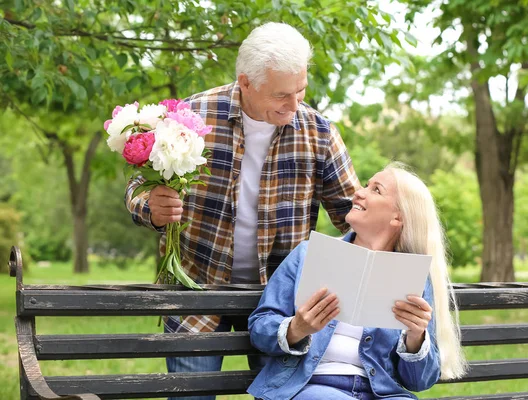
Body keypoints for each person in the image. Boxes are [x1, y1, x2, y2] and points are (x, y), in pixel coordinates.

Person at [125, 22, 361, 400]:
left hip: (281, 304)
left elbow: (353, 213)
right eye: (282, 95)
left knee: (284, 396)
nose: (294, 105)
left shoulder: (318, 132)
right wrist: (150, 207)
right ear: (246, 82)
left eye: (301, 90)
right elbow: (137, 189)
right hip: (197, 291)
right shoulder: (193, 117)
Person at [247, 163, 467, 400]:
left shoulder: (413, 277)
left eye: (376, 190)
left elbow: (419, 382)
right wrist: (296, 329)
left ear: (398, 217)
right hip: (310, 387)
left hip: (382, 394)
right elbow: (260, 327)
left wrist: (416, 337)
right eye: (366, 184)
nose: (359, 192)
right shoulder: (308, 254)